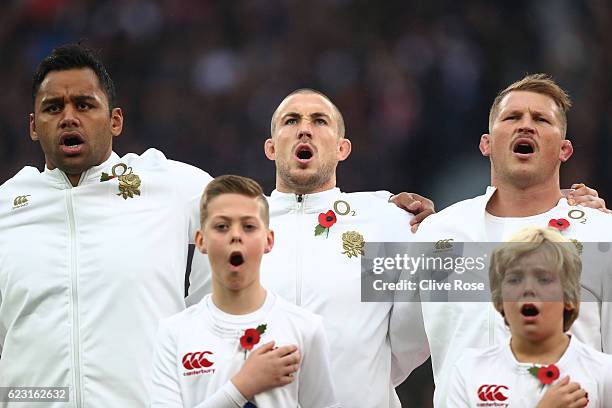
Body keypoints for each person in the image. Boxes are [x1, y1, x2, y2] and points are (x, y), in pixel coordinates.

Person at [190, 89, 432, 407]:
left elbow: (414, 334)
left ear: (342, 148)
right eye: (291, 121)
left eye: (320, 121)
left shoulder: (385, 221)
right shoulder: (231, 225)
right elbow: (202, 328)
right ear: (271, 147)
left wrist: (368, 375)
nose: (305, 129)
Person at [0, 44, 212, 407]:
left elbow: (246, 227)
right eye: (53, 108)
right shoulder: (6, 207)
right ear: (34, 127)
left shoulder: (170, 186)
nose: (68, 117)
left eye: (84, 105)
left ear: (114, 120)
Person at [411, 73, 612, 406]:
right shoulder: (436, 233)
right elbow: (384, 343)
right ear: (486, 143)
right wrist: (387, 213)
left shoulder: (602, 235)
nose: (526, 126)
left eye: (541, 119)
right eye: (512, 117)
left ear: (565, 150)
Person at [150, 175, 339, 407]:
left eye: (249, 226)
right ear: (201, 241)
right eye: (221, 226)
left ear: (268, 240)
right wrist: (243, 386)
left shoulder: (306, 328)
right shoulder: (173, 333)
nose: (236, 235)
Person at [447, 226, 612, 407]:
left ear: (569, 297)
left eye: (544, 279)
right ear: (499, 299)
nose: (528, 289)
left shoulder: (604, 372)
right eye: (515, 279)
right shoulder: (469, 370)